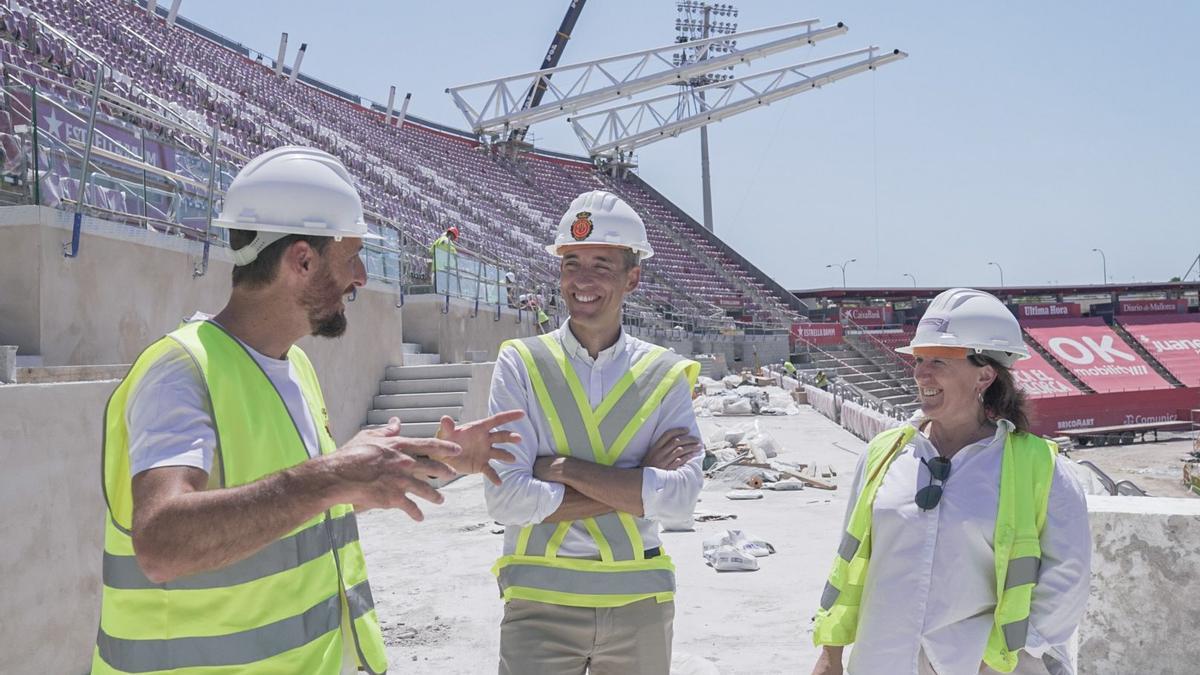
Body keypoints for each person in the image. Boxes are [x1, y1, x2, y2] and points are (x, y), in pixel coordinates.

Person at [92, 147, 523, 675]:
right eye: (351, 257)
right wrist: (332, 475)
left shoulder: (294, 366)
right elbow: (161, 542)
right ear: (302, 260)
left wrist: (428, 461)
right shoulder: (180, 371)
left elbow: (303, 503)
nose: (361, 276)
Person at [811, 288, 1091, 675]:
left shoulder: (1040, 467)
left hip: (981, 665)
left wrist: (1010, 656)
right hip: (882, 660)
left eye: (939, 361)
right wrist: (830, 652)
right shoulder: (883, 454)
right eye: (919, 359)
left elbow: (1068, 580)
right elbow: (848, 562)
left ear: (985, 375)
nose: (921, 373)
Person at [485, 190, 705, 674]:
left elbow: (681, 500)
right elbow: (506, 502)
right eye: (571, 264)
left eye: (601, 265)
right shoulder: (520, 363)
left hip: (638, 602)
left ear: (633, 278)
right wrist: (638, 481)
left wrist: (565, 470)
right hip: (537, 602)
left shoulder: (667, 373)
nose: (581, 281)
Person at [429, 225, 460, 289]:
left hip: (436, 270)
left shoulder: (438, 240)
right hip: (444, 272)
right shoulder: (449, 242)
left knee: (436, 292)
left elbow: (431, 251)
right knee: (444, 293)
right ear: (452, 235)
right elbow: (455, 255)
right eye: (454, 238)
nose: (454, 240)